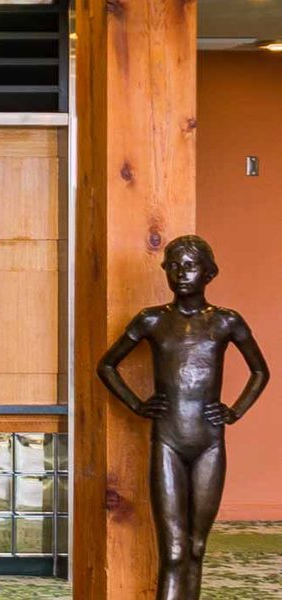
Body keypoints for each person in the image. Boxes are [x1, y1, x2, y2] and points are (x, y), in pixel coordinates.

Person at [97, 235, 269, 600]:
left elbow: (260, 371)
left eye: (189, 265)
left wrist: (234, 410)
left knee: (196, 548)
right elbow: (107, 365)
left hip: (209, 443)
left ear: (209, 273)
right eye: (173, 265)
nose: (180, 273)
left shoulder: (225, 322)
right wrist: (136, 404)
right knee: (173, 551)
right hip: (168, 442)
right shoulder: (153, 320)